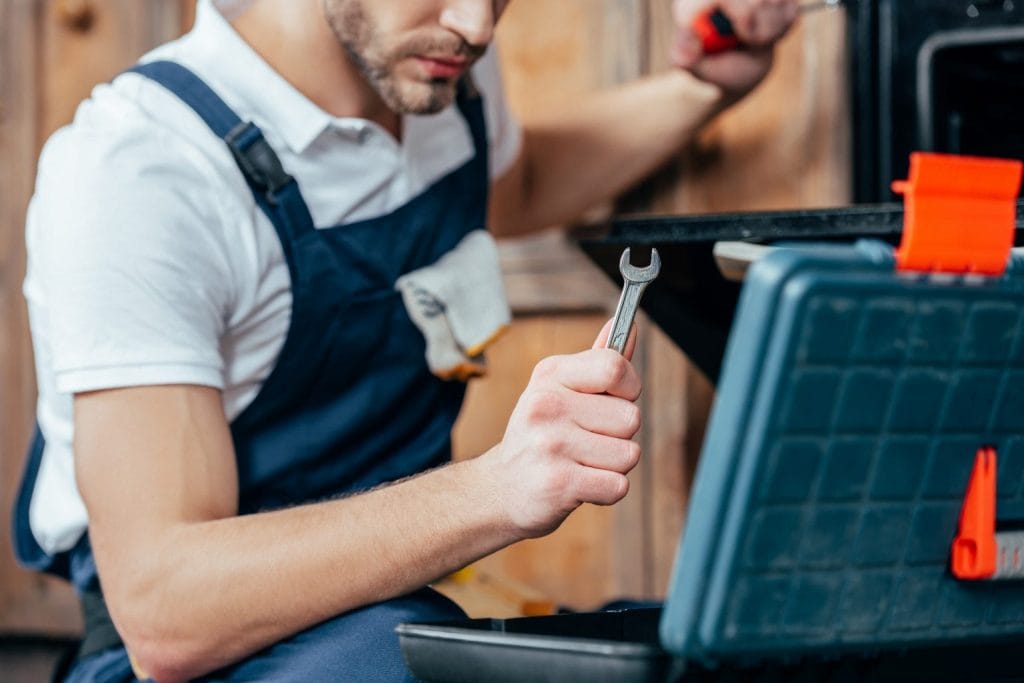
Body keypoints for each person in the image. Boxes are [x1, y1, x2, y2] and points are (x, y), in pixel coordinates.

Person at [13, 0, 797, 680]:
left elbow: (515, 183)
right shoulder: (145, 171)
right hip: (205, 657)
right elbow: (167, 611)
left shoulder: (437, 73)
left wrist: (701, 88)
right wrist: (498, 488)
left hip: (396, 612)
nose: (477, 23)